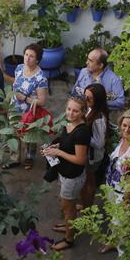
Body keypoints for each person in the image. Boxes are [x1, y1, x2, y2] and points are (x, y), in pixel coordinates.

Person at [41, 97, 91, 251]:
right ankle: (69, 225)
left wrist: (58, 152)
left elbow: (80, 159)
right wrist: (55, 147)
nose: (71, 113)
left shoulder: (82, 132)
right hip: (65, 173)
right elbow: (67, 143)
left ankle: (69, 239)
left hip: (72, 177)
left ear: (83, 113)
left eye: (76, 111)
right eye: (69, 109)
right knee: (66, 207)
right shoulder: (69, 125)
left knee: (68, 208)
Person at [99, 109, 130, 255]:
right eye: (124, 125)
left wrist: (126, 199)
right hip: (112, 188)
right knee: (113, 219)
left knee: (122, 225)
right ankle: (112, 242)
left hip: (123, 194)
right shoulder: (122, 140)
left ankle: (122, 257)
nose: (126, 129)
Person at [11, 43, 49, 170]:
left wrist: (25, 98)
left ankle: (29, 158)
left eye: (31, 56)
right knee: (13, 134)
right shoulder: (19, 68)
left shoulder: (40, 78)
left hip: (29, 112)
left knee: (29, 137)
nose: (27, 58)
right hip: (14, 109)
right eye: (26, 54)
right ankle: (14, 158)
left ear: (37, 60)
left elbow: (42, 101)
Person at [80, 83, 109, 207]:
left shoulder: (98, 119)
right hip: (88, 154)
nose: (85, 100)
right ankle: (84, 203)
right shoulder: (91, 109)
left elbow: (100, 143)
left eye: (89, 98)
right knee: (86, 181)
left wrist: (83, 134)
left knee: (89, 183)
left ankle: (88, 207)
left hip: (93, 157)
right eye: (85, 96)